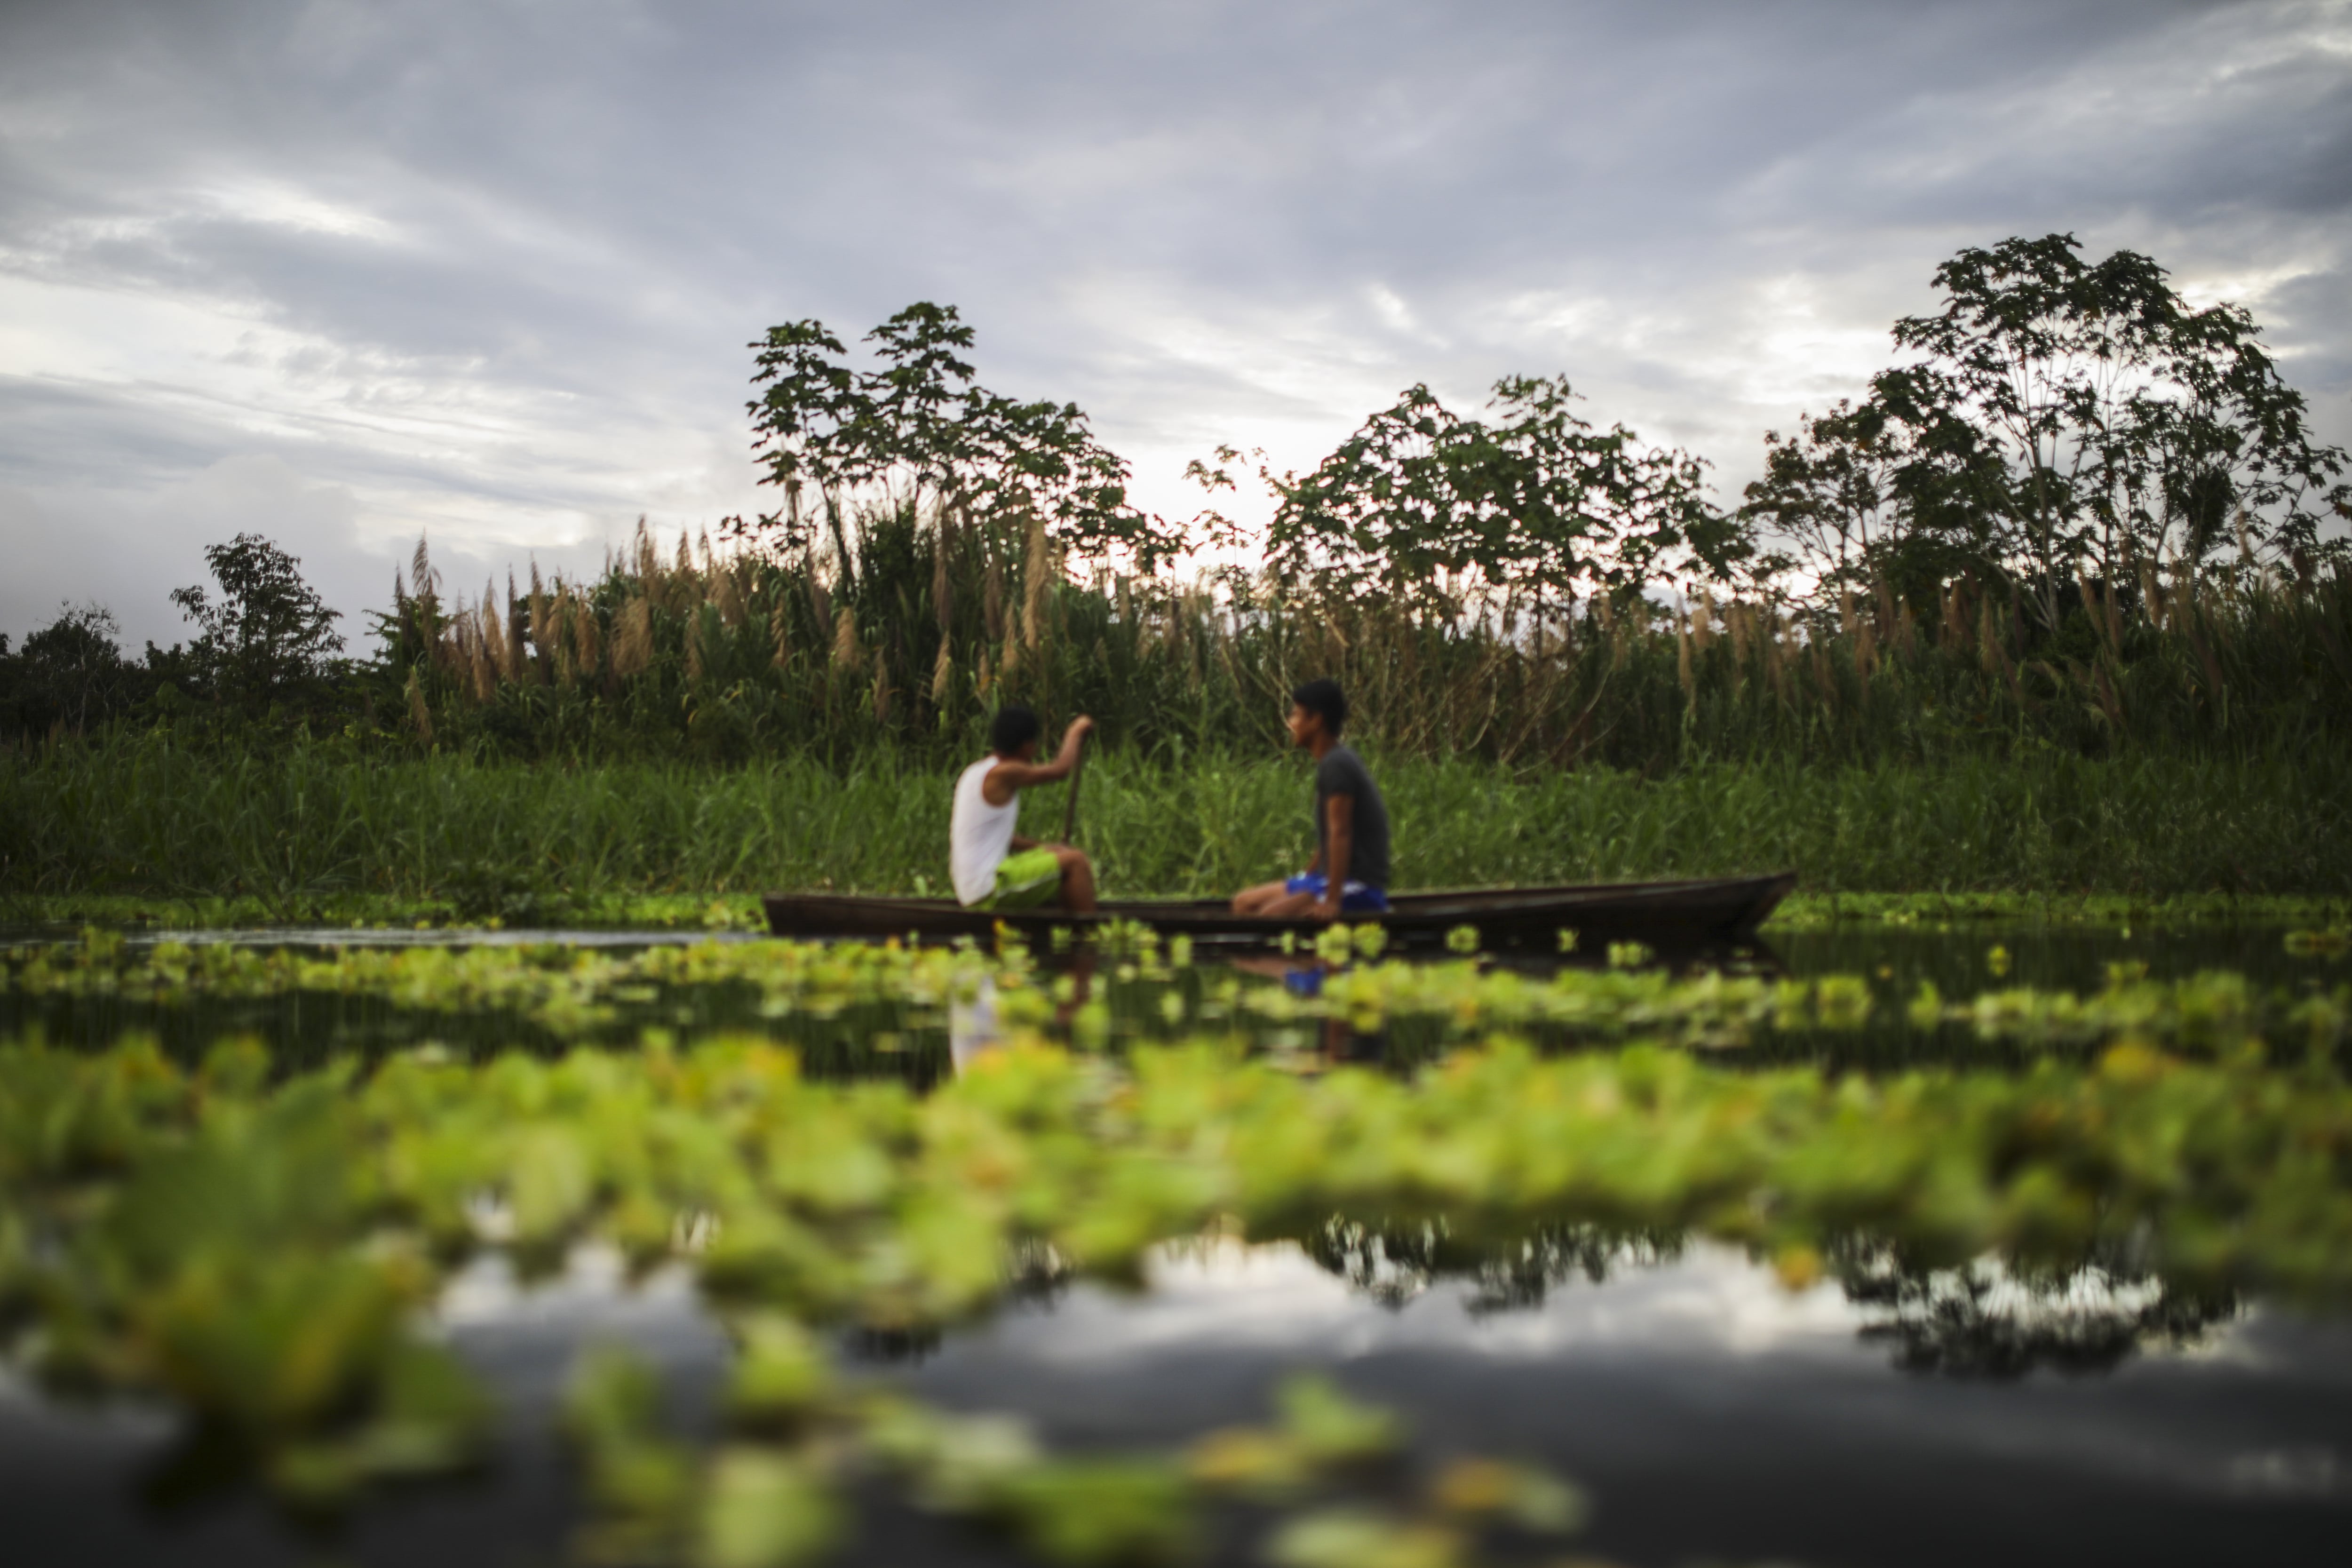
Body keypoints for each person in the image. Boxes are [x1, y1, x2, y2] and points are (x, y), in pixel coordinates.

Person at [1231, 678, 1390, 920]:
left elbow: (1341, 833)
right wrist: (1308, 876)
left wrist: (1332, 901)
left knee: (1269, 916)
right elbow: (1329, 834)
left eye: (1296, 715)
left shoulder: (1337, 764)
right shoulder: (1330, 763)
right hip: (1325, 880)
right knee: (1243, 903)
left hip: (1359, 885)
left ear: (1316, 721)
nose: (1291, 723)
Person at [950, 705, 1098, 913]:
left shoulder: (976, 771)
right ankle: (1090, 937)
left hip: (974, 887)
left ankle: (1067, 924)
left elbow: (1001, 838)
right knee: (1076, 862)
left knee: (1063, 853)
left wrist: (1044, 848)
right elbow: (1061, 770)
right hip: (987, 890)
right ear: (1027, 746)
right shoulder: (1005, 772)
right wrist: (1076, 730)